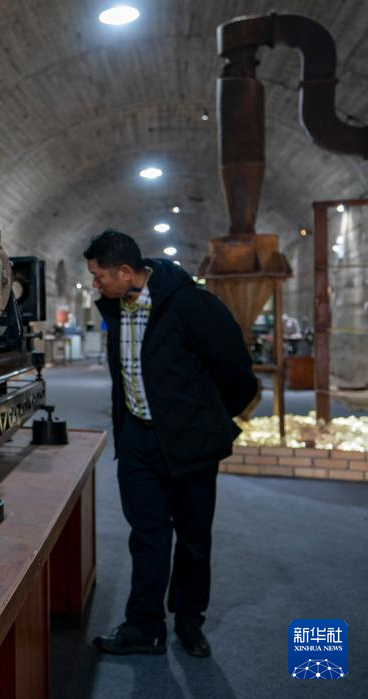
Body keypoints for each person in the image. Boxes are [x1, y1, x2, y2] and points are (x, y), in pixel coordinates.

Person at [84, 230, 258, 657]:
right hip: (137, 441)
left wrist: (206, 419)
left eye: (99, 275)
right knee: (147, 535)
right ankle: (145, 626)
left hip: (190, 443)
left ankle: (189, 621)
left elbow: (236, 370)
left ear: (126, 272)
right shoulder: (115, 307)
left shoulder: (191, 304)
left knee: (193, 538)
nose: (95, 284)